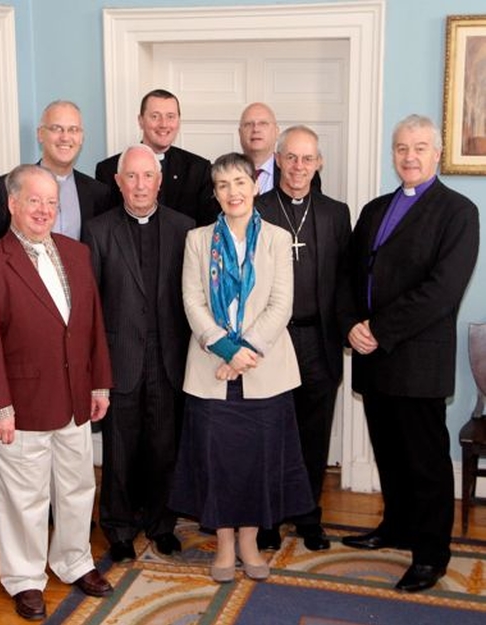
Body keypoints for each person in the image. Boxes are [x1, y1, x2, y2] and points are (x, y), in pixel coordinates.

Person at [0, 164, 114, 620]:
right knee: (23, 500)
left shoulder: (76, 253)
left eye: (52, 202)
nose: (44, 210)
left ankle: (73, 561)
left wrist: (100, 380)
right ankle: (25, 578)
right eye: (34, 200)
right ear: (13, 204)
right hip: (19, 407)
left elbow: (92, 325)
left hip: (73, 399)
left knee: (77, 487)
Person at [340, 114, 479, 593]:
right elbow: (350, 277)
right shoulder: (375, 209)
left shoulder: (458, 212)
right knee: (389, 451)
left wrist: (378, 329)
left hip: (418, 358)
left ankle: (431, 554)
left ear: (437, 153)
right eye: (401, 147)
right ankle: (395, 526)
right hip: (373, 355)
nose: (410, 156)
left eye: (420, 147)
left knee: (425, 460)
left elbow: (441, 292)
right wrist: (352, 326)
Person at [169, 152, 314, 583]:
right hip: (211, 368)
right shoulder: (197, 240)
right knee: (218, 463)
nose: (233, 192)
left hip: (264, 371)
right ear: (214, 193)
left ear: (255, 186)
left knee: (258, 463)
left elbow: (280, 303)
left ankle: (249, 541)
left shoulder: (276, 236)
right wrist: (226, 349)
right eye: (223, 185)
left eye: (239, 182)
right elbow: (192, 301)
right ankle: (225, 544)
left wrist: (244, 351)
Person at [83, 144, 195, 563]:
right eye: (131, 176)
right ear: (118, 181)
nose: (140, 185)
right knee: (121, 451)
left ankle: (161, 524)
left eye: (147, 176)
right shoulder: (98, 230)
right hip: (121, 359)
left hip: (170, 357)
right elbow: (91, 304)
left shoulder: (185, 228)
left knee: (165, 447)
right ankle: (119, 529)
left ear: (160, 181)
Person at [255, 125, 351, 552]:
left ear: (319, 163)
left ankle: (309, 515)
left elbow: (346, 281)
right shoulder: (256, 209)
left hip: (319, 340)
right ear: (277, 159)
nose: (298, 167)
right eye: (290, 157)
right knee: (272, 431)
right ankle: (268, 517)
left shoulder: (335, 213)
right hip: (273, 341)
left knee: (314, 434)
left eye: (307, 158)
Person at [0, 100, 110, 253]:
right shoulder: (5, 187)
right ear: (40, 134)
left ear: (81, 137)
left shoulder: (99, 194)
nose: (65, 137)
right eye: (56, 128)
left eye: (73, 130)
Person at [95, 88, 217, 225]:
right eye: (155, 116)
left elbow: (206, 228)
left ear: (178, 121)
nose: (163, 124)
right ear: (141, 121)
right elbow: (105, 227)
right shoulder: (108, 169)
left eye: (170, 116)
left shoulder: (198, 169)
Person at [239, 102, 321, 194]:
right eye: (248, 124)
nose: (255, 129)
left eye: (263, 123)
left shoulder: (302, 172)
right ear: (240, 133)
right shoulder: (224, 173)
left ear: (277, 132)